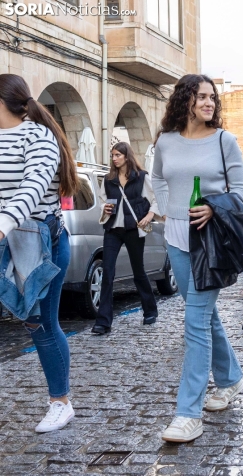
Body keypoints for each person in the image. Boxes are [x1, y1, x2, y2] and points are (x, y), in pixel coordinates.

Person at [152, 74, 243, 443]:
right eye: (202, 97)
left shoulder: (225, 140)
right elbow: (158, 178)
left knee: (194, 322)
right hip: (176, 237)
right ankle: (230, 379)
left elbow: (242, 192)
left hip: (210, 240)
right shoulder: (166, 141)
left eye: (213, 97)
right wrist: (168, 208)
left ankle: (187, 414)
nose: (210, 103)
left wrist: (212, 207)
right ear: (185, 100)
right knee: (205, 318)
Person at [0, 73, 79, 432]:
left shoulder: (39, 136)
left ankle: (60, 402)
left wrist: (4, 222)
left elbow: (32, 186)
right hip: (8, 243)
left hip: (42, 245)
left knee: (41, 324)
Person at [92, 142, 160, 335]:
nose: (114, 158)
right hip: (113, 229)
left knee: (138, 270)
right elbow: (102, 201)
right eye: (112, 155)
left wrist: (148, 216)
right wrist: (104, 208)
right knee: (107, 271)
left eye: (117, 155)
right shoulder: (108, 179)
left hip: (133, 228)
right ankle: (103, 322)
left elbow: (156, 199)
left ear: (126, 156)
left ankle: (150, 310)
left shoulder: (141, 177)